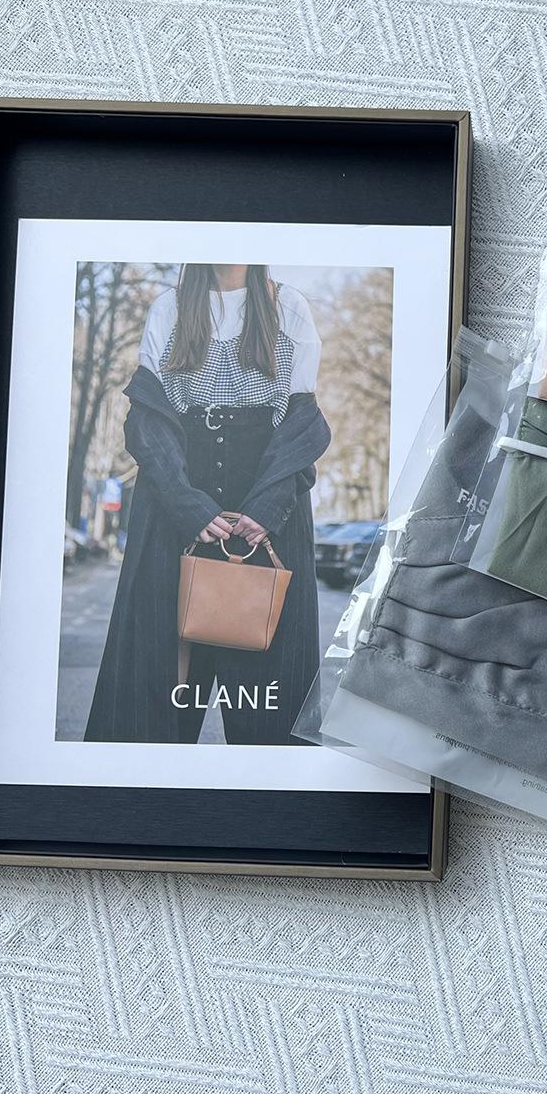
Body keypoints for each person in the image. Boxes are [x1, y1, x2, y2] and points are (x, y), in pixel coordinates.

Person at [85, 263, 331, 745]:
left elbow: (302, 421)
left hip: (267, 511)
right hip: (173, 506)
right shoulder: (169, 308)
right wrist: (186, 504)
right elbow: (147, 421)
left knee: (269, 698)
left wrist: (269, 504)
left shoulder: (289, 308)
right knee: (158, 690)